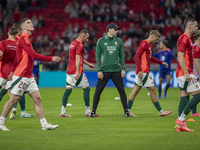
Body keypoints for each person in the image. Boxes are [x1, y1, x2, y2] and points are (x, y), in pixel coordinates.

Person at [0, 18, 61, 131]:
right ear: (23, 27)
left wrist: (12, 70)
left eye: (31, 22)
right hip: (22, 75)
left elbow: (18, 57)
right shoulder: (23, 39)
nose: (31, 24)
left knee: (37, 99)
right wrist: (51, 58)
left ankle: (44, 124)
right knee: (14, 99)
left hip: (28, 75)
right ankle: (1, 122)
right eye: (28, 23)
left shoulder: (27, 39)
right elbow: (33, 55)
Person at [127, 30, 172, 117]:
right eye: (156, 39)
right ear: (152, 37)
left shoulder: (148, 45)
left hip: (142, 71)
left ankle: (127, 111)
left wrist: (161, 62)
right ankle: (160, 111)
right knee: (152, 90)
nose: (157, 41)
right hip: (143, 71)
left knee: (136, 90)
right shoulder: (144, 43)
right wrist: (140, 70)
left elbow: (150, 58)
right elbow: (136, 56)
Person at [90, 23, 130, 117]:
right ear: (109, 30)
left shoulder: (119, 41)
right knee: (98, 91)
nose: (117, 31)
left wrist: (123, 68)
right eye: (115, 29)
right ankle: (93, 112)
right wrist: (99, 70)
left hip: (116, 70)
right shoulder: (101, 41)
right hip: (105, 71)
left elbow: (121, 56)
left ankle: (126, 112)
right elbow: (98, 56)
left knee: (122, 91)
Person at [60, 30, 97, 117]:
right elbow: (77, 59)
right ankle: (88, 112)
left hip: (69, 71)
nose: (87, 40)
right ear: (82, 36)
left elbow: (78, 58)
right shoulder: (80, 45)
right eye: (87, 38)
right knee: (87, 89)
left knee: (68, 90)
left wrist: (88, 64)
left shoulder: (73, 43)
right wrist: (78, 72)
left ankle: (63, 111)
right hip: (76, 71)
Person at [0, 23, 33, 120]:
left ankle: (16, 111)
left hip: (3, 72)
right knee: (16, 92)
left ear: (8, 33)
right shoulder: (19, 43)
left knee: (5, 90)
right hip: (14, 72)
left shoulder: (3, 43)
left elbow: (0, 54)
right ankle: (19, 110)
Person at [175, 17, 200, 132]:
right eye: (195, 26)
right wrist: (186, 73)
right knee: (198, 95)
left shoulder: (188, 39)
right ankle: (181, 119)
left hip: (183, 73)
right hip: (185, 73)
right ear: (190, 26)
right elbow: (180, 56)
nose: (197, 27)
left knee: (184, 98)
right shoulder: (184, 38)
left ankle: (180, 125)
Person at [190, 30, 200, 117]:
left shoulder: (193, 46)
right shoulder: (197, 47)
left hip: (192, 72)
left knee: (196, 93)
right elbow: (196, 62)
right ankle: (193, 112)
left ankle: (194, 112)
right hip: (195, 72)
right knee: (197, 93)